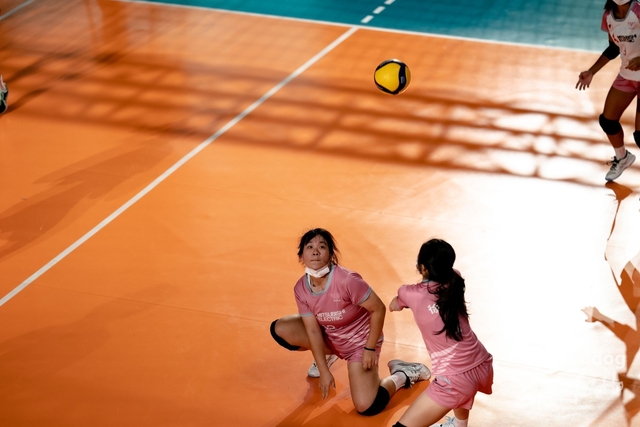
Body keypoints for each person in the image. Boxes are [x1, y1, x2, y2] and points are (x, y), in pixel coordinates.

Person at [270, 228, 431, 416]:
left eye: (322, 247)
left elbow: (378, 308)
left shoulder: (347, 280)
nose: (315, 251)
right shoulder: (301, 288)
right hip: (331, 336)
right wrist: (323, 370)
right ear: (301, 256)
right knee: (280, 329)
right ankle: (330, 355)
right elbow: (312, 331)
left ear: (331, 254)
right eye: (309, 247)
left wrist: (369, 348)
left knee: (366, 406)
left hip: (360, 343)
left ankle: (402, 374)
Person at [388, 239, 493, 427]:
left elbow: (394, 305)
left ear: (422, 267)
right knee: (462, 392)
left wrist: (400, 302)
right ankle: (459, 424)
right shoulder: (455, 280)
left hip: (454, 381)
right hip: (481, 363)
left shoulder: (409, 293)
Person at [576, 0, 640, 181]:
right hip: (627, 76)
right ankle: (622, 157)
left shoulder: (638, 10)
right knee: (608, 121)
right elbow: (613, 48)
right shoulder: (608, 17)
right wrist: (591, 71)